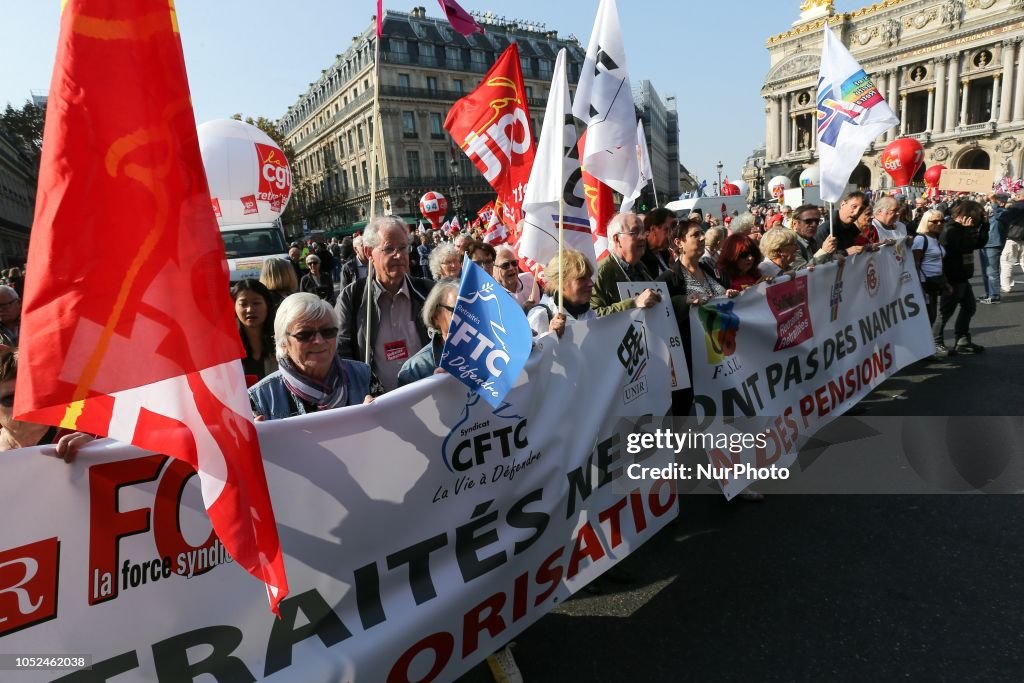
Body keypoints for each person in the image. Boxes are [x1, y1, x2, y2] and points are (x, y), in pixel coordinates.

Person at [335, 216, 434, 392]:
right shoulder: (352, 297)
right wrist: (359, 394)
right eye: (389, 249)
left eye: (403, 248)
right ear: (368, 252)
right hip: (379, 407)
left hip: (428, 399)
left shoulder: (428, 292)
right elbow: (341, 355)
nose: (398, 255)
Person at [249, 293, 373, 420]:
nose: (319, 341)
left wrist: (377, 420)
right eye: (304, 334)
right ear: (283, 342)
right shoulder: (259, 399)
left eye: (327, 331)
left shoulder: (365, 377)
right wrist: (257, 437)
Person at [0, 350, 93, 458]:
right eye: (11, 398)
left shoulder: (84, 433)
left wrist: (97, 451)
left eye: (35, 392)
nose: (28, 403)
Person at [934, 200, 987, 356]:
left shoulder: (964, 229)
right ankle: (935, 341)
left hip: (962, 276)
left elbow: (978, 244)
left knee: (969, 307)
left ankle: (962, 340)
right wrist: (967, 231)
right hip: (952, 276)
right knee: (945, 312)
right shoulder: (950, 229)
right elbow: (963, 247)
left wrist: (984, 226)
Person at [590, 213, 662, 317]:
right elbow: (592, 316)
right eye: (635, 232)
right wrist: (634, 304)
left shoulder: (641, 267)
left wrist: (683, 302)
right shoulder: (600, 272)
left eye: (643, 232)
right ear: (617, 239)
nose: (642, 237)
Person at [397, 278, 459, 386]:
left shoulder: (489, 358)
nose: (466, 318)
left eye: (470, 310)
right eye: (457, 310)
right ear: (435, 316)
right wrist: (434, 390)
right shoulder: (415, 370)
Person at [526, 249, 597, 338]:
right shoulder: (540, 315)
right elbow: (530, 350)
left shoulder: (590, 313)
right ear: (561, 283)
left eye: (589, 277)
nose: (591, 283)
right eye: (582, 278)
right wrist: (550, 336)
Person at [911, 210, 949, 351]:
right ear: (925, 222)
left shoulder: (935, 238)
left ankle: (925, 349)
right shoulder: (921, 239)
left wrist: (945, 283)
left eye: (941, 221)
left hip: (935, 283)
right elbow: (916, 263)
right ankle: (923, 350)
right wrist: (919, 285)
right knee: (927, 317)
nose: (939, 224)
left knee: (931, 317)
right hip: (925, 284)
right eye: (934, 221)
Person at [232, 279, 278, 382]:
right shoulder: (229, 350)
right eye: (243, 304)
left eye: (256, 303)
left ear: (267, 305)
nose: (250, 309)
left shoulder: (282, 346)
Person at [978, 192, 1009, 303]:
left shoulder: (1004, 212)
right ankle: (988, 293)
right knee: (985, 271)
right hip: (984, 243)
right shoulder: (992, 211)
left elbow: (998, 215)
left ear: (1000, 201)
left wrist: (993, 202)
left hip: (994, 244)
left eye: (995, 200)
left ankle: (994, 296)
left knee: (992, 272)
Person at [790, 204, 837, 270]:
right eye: (808, 221)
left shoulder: (812, 241)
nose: (814, 225)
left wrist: (833, 258)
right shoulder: (790, 244)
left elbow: (821, 264)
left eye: (817, 221)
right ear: (795, 224)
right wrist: (823, 252)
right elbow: (802, 272)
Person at [999, 190, 1024, 294]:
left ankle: (1006, 286)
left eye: (1018, 194)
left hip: (1012, 238)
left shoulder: (1016, 207)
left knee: (1007, 263)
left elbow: (1002, 218)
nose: (1016, 195)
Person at [640, 208, 675, 277]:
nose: (670, 235)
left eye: (672, 230)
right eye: (666, 230)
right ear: (653, 229)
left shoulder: (665, 253)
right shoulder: (640, 257)